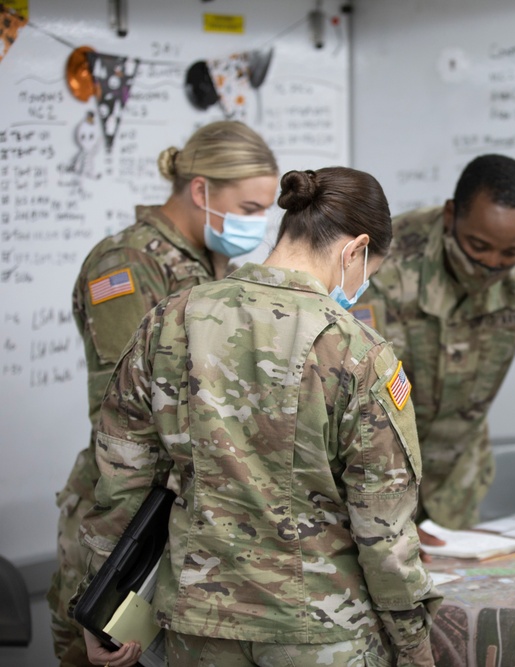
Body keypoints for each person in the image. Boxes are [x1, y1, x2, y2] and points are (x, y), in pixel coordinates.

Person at [79, 167, 441, 666]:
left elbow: (120, 479)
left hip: (197, 627)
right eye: (369, 272)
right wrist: (414, 646)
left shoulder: (170, 321)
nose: (362, 286)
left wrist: (100, 605)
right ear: (355, 251)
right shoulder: (358, 352)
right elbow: (384, 530)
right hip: (319, 633)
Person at [48, 120, 280, 666]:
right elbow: (123, 411)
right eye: (248, 209)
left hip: (187, 516)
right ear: (201, 190)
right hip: (126, 520)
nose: (258, 224)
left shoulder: (217, 266)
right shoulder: (127, 266)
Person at [355, 154, 515, 545]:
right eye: (478, 246)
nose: (492, 265)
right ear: (450, 216)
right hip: (373, 486)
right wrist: (382, 519)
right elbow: (359, 402)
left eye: (509, 253)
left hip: (457, 486)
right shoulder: (388, 264)